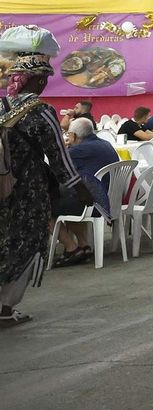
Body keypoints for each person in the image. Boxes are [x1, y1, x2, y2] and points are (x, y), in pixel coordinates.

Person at [1, 30, 83, 323]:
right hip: (29, 190)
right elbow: (60, 156)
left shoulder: (1, 107)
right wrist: (80, 188)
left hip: (1, 187)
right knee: (28, 242)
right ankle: (5, 309)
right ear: (37, 80)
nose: (46, 84)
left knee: (3, 240)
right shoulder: (42, 111)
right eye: (44, 79)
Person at [54, 117, 118, 265]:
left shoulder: (77, 150)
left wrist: (65, 148)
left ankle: (72, 248)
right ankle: (83, 245)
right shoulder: (106, 144)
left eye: (68, 134)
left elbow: (59, 169)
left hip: (94, 203)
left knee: (45, 207)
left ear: (74, 136)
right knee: (69, 199)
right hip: (109, 199)